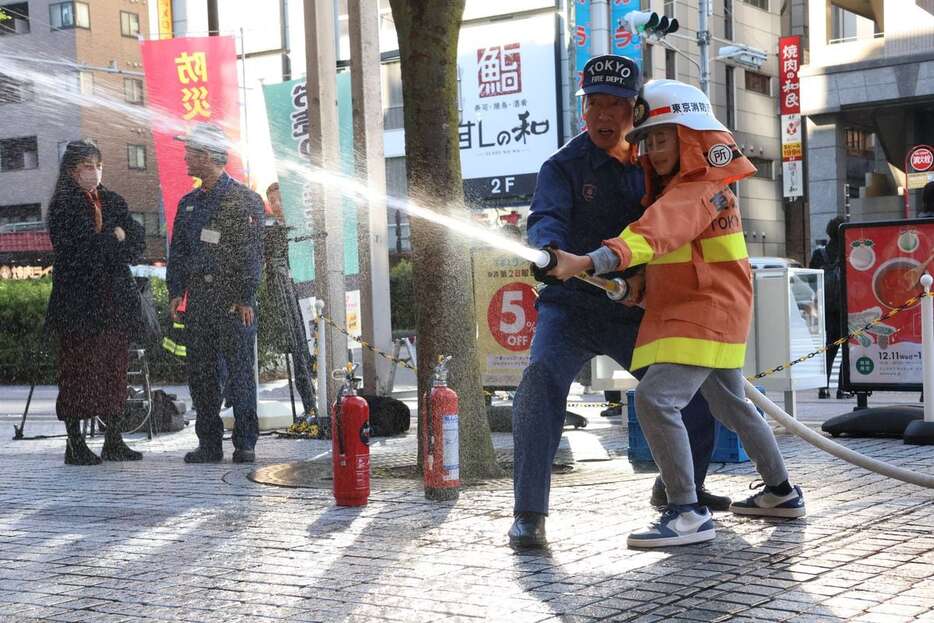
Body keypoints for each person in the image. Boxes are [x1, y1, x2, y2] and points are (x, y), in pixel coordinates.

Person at [550, 79, 806, 548]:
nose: (652, 149)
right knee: (732, 406)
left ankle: (686, 512)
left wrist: (587, 261)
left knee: (655, 400)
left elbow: (654, 233)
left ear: (691, 138)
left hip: (702, 314)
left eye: (663, 137)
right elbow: (675, 260)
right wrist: (628, 287)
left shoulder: (699, 189)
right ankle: (780, 492)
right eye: (647, 139)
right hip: (707, 311)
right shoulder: (693, 191)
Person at [508, 57, 727, 550]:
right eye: (594, 103)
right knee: (539, 384)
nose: (604, 114)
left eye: (616, 104)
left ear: (636, 110)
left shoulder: (656, 164)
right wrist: (548, 252)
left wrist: (642, 283)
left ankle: (680, 494)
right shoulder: (561, 166)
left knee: (691, 391)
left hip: (636, 308)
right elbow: (545, 218)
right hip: (570, 308)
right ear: (583, 108)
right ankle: (529, 513)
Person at [167, 123, 265, 464]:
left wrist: (245, 297)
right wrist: (176, 291)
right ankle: (209, 443)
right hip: (201, 302)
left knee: (239, 373)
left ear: (208, 156)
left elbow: (251, 252)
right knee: (202, 374)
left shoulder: (244, 199)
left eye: (190, 153)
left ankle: (245, 442)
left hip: (232, 302)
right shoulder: (189, 203)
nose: (185, 159)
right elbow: (178, 251)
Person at [45, 139, 146, 465]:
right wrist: (113, 237)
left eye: (98, 165)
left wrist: (116, 240)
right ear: (72, 171)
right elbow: (81, 251)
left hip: (114, 303)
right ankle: (75, 443)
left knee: (114, 371)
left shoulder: (113, 200)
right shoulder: (62, 204)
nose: (95, 172)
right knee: (77, 372)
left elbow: (136, 241)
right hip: (77, 307)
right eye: (88, 167)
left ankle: (113, 439)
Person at [809, 216, 848, 399]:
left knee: (830, 347)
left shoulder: (819, 254)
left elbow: (810, 279)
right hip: (846, 306)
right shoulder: (848, 251)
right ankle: (843, 388)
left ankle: (823, 388)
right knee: (847, 347)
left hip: (826, 306)